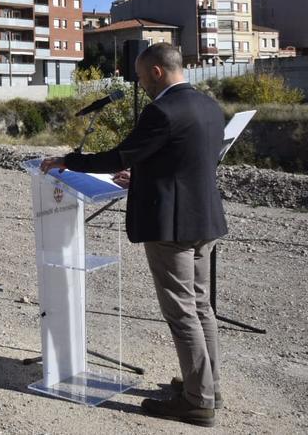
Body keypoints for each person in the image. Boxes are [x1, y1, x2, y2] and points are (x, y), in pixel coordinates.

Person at [40, 43, 228, 427]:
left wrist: (66, 160)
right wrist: (142, 175)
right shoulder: (208, 105)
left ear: (157, 72)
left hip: (171, 226)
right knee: (201, 306)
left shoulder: (162, 110)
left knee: (181, 312)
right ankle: (209, 386)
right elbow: (182, 159)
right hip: (205, 220)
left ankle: (197, 400)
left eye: (141, 78)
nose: (141, 85)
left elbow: (119, 156)